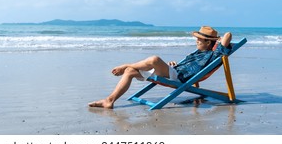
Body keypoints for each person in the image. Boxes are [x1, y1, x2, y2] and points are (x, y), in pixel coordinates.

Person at [88, 26, 232, 109]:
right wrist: (172, 65)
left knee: (154, 59)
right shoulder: (198, 52)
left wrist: (216, 40)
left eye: (199, 40)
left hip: (179, 78)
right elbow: (187, 66)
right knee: (130, 71)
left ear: (208, 42)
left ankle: (126, 64)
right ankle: (109, 100)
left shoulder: (214, 54)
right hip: (175, 71)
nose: (196, 41)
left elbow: (228, 35)